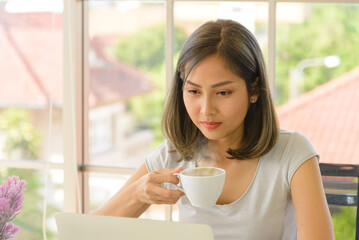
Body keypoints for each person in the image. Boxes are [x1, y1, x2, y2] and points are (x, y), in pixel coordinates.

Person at [92, 19, 334, 240]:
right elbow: (88, 233)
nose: (206, 110)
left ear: (254, 90)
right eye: (194, 91)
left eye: (223, 92)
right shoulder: (174, 156)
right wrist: (137, 195)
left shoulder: (292, 153)